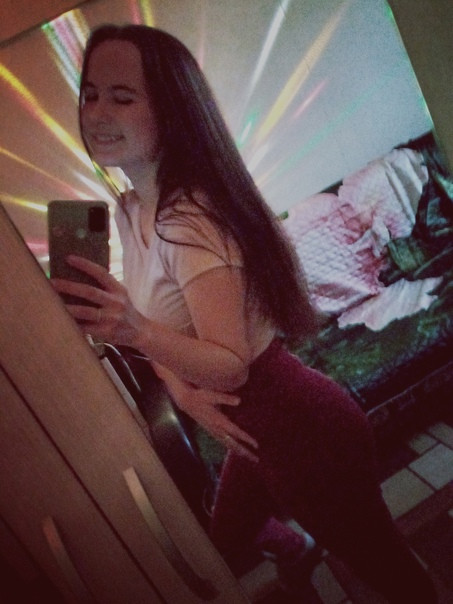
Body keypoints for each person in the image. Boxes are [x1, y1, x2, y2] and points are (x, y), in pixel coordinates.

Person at [52, 24, 437, 602]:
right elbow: (169, 336)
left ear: (171, 112)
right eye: (91, 94)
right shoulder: (131, 210)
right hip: (256, 434)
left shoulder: (188, 221)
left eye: (123, 97)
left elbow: (231, 366)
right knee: (227, 535)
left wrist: (135, 329)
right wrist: (183, 393)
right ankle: (298, 550)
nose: (98, 113)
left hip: (302, 430)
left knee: (382, 564)